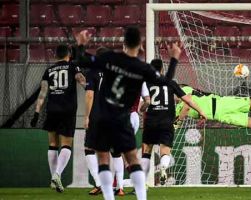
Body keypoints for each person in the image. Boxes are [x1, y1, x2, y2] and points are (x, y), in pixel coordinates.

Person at [74, 27, 181, 200]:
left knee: (103, 158)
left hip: (102, 116)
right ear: (140, 45)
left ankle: (109, 197)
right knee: (132, 158)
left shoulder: (109, 59)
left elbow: (83, 60)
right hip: (123, 119)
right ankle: (141, 197)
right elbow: (166, 81)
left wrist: (80, 45)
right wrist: (174, 58)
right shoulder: (142, 68)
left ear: (124, 42)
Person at [140, 59, 206, 186]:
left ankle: (142, 183)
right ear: (162, 70)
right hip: (166, 122)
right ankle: (163, 168)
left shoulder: (146, 84)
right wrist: (201, 111)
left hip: (151, 121)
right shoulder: (170, 83)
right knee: (165, 151)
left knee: (147, 151)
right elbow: (188, 100)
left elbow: (142, 104)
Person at [30, 44, 86, 193]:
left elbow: (42, 93)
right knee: (66, 145)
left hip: (52, 109)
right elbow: (82, 81)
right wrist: (91, 87)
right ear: (68, 55)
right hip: (67, 110)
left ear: (56, 56)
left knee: (53, 144)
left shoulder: (48, 70)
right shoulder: (73, 67)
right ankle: (57, 174)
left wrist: (36, 112)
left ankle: (53, 179)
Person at [176, 86, 251, 132]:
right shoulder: (175, 110)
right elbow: (185, 112)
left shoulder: (183, 89)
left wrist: (178, 122)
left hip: (223, 103)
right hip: (221, 116)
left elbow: (187, 105)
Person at [113, 82, 150, 196]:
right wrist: (141, 110)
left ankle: (123, 186)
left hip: (122, 117)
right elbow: (148, 101)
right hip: (134, 117)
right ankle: (119, 185)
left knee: (119, 152)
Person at [84, 47, 110, 195]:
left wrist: (87, 116)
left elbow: (89, 95)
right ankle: (118, 185)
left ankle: (99, 183)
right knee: (112, 152)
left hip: (97, 115)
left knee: (89, 148)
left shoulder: (92, 72)